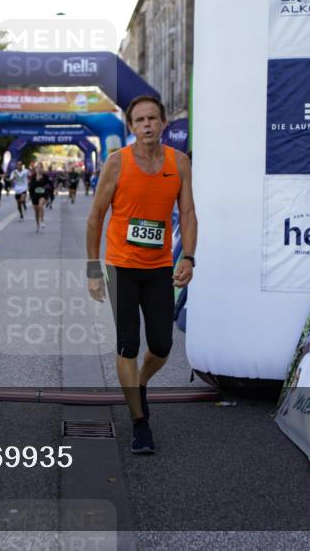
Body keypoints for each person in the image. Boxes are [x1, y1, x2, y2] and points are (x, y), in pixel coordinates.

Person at [86, 95, 197, 455]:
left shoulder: (179, 162)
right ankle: (139, 423)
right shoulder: (116, 164)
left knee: (162, 346)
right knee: (128, 344)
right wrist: (93, 268)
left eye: (153, 118)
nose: (147, 125)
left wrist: (189, 258)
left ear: (164, 123)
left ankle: (138, 384)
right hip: (122, 266)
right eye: (140, 120)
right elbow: (96, 215)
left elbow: (189, 212)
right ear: (131, 127)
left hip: (160, 267)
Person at [28, 163, 53, 232]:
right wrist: (30, 196)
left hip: (43, 194)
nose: (39, 169)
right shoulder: (33, 176)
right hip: (35, 195)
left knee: (40, 205)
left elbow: (51, 184)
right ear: (36, 169)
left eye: (40, 168)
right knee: (36, 212)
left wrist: (54, 191)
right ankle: (37, 224)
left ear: (42, 169)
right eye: (37, 168)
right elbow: (30, 187)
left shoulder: (45, 176)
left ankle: (42, 221)